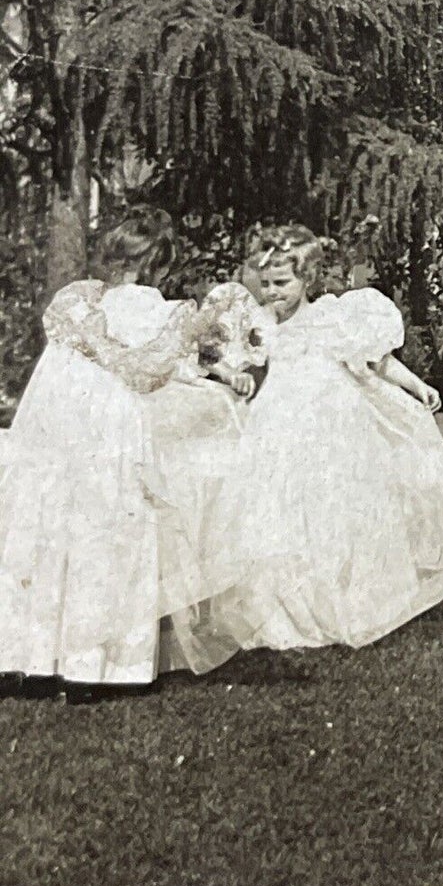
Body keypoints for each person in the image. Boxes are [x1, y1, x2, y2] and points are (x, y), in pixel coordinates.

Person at [190, 224, 443, 661]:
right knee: (277, 511)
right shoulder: (258, 323)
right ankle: (281, 614)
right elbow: (229, 361)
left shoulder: (334, 316)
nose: (273, 292)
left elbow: (378, 361)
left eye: (283, 283)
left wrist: (416, 385)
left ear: (307, 279)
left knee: (334, 511)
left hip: (332, 426)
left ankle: (340, 603)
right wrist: (233, 376)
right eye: (267, 284)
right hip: (278, 424)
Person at [0, 208, 254, 695]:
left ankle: (31, 656)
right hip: (114, 434)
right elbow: (155, 372)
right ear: (161, 264)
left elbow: (73, 366)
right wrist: (221, 380)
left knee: (53, 528)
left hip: (62, 430)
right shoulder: (165, 313)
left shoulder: (75, 303)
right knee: (113, 530)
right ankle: (104, 664)